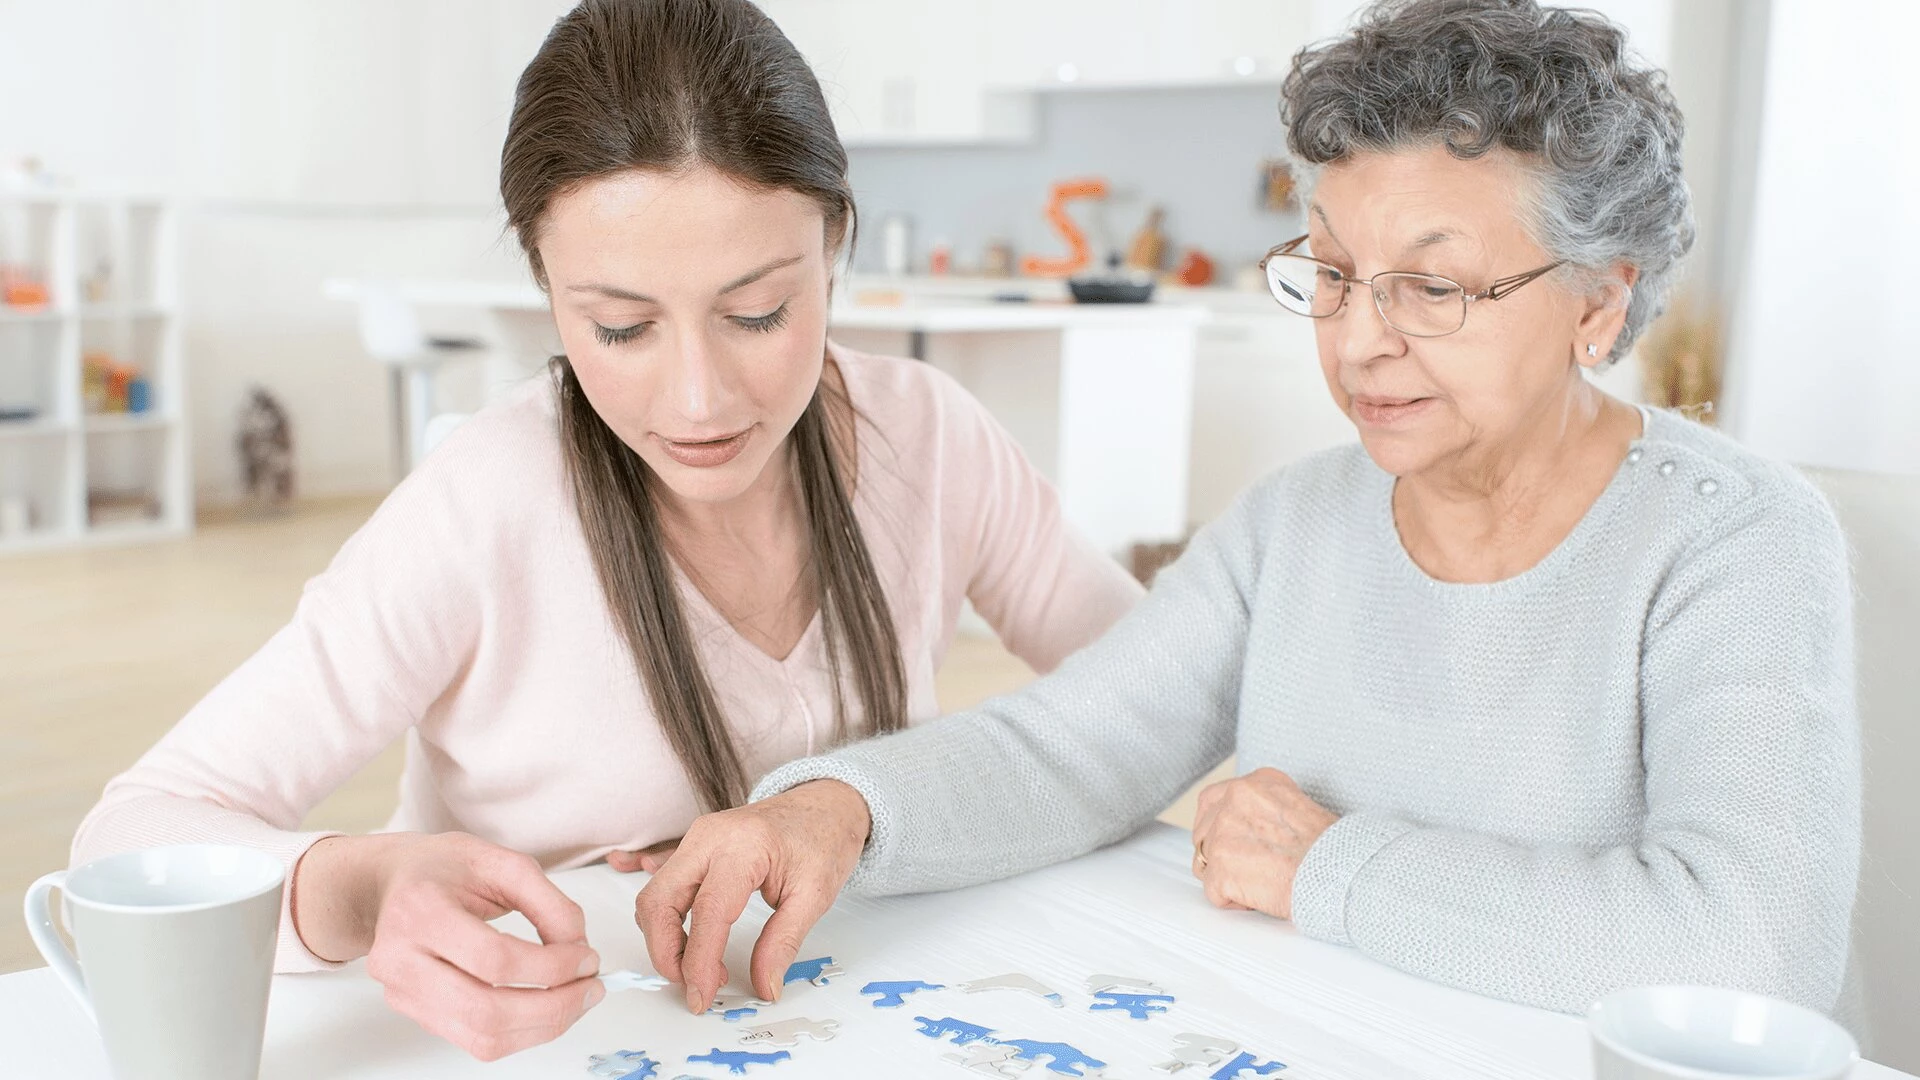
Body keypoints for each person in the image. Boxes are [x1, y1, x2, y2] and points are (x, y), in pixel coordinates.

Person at [635, 0, 1861, 1026]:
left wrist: (1329, 866)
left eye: (1431, 286)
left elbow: (1752, 949)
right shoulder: (1298, 524)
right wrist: (836, 809)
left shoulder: (1735, 540)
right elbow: (1074, 748)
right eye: (1330, 275)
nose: (1361, 341)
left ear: (1600, 300)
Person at [69, 0, 1140, 1060]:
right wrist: (361, 885)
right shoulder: (485, 502)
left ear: (836, 245)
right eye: (619, 327)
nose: (698, 400)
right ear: (546, 288)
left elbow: (1162, 693)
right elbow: (134, 833)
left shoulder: (929, 437)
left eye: (759, 312)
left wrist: (852, 809)